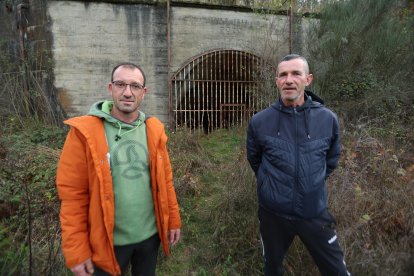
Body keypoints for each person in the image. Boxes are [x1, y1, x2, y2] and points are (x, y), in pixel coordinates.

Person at [56, 62, 181, 276]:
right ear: (110, 88)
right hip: (106, 243)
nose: (127, 92)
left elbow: (165, 181)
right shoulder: (84, 133)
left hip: (149, 238)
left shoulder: (153, 130)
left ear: (144, 92)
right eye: (121, 84)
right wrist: (77, 250)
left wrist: (173, 219)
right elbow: (73, 196)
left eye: (135, 86)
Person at [246, 54, 350, 276]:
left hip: (314, 212)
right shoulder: (260, 121)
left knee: (337, 271)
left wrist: (311, 184)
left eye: (296, 74)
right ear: (277, 81)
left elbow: (331, 159)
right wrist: (269, 184)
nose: (289, 80)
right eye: (283, 75)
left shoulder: (327, 119)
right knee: (272, 268)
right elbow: (255, 159)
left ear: (308, 79)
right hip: (273, 215)